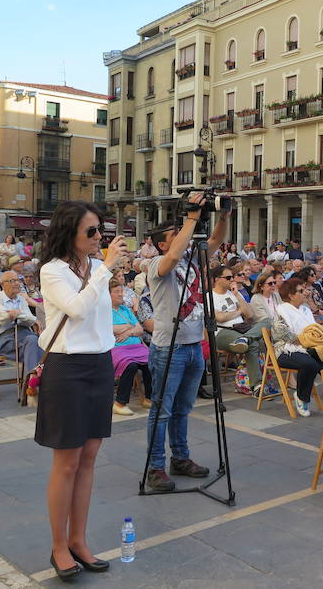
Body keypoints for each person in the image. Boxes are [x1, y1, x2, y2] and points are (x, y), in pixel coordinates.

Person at [34, 201, 128, 579]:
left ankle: (79, 540)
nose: (98, 237)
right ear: (69, 232)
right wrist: (105, 269)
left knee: (89, 457)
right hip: (67, 367)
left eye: (100, 230)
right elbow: (75, 309)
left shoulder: (94, 269)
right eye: (91, 232)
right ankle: (59, 546)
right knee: (67, 460)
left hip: (99, 364)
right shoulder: (52, 271)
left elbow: (100, 317)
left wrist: (102, 270)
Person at [143, 193, 227, 492]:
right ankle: (155, 467)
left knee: (183, 409)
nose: (182, 236)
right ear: (162, 244)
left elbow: (215, 242)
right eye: (174, 235)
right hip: (169, 348)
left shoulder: (193, 258)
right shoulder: (156, 264)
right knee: (162, 410)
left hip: (193, 346)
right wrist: (190, 218)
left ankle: (180, 457)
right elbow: (174, 258)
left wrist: (223, 214)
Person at [271, 277, 323, 416]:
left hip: (309, 347)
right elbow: (281, 334)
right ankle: (302, 397)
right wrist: (307, 339)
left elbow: (315, 329)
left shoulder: (305, 310)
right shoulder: (281, 310)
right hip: (287, 350)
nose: (305, 293)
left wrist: (321, 335)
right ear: (291, 295)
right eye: (301, 291)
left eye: (305, 289)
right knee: (310, 364)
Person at [212, 265, 271, 396]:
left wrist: (237, 295)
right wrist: (238, 311)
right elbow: (220, 317)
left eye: (232, 277)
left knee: (267, 322)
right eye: (228, 277)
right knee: (254, 343)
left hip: (242, 329)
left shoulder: (234, 294)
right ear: (217, 279)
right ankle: (257, 384)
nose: (232, 280)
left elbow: (249, 314)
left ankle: (246, 339)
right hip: (223, 331)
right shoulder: (210, 296)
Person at [0, 270, 44, 380]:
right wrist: (20, 314)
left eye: (17, 280)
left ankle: (32, 380)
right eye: (12, 281)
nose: (17, 283)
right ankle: (33, 382)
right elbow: (3, 317)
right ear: (2, 284)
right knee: (34, 343)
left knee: (39, 343)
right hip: (6, 340)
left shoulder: (22, 299)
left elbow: (31, 319)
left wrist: (17, 313)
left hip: (25, 336)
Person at [109, 279, 152, 415]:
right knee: (131, 365)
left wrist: (128, 331)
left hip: (136, 346)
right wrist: (128, 326)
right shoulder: (103, 310)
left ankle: (149, 398)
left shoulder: (125, 309)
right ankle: (120, 403)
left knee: (152, 360)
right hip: (116, 348)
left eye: (121, 291)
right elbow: (108, 329)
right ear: (108, 294)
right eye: (117, 292)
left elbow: (139, 329)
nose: (121, 294)